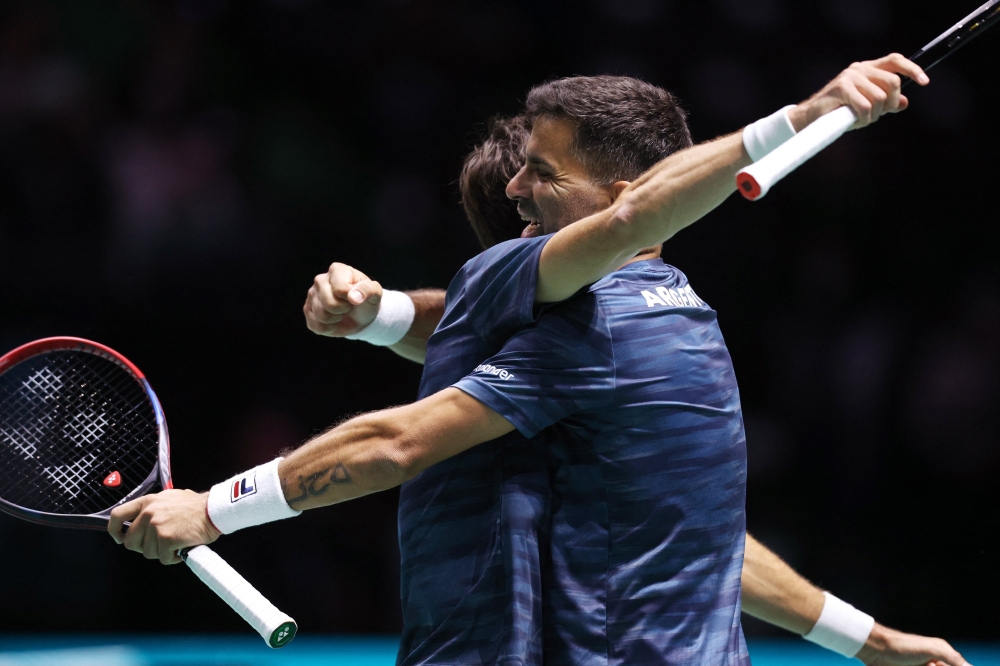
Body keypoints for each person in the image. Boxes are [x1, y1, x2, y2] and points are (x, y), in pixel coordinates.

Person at [110, 54, 965, 666]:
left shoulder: (546, 284)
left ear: (620, 195)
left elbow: (395, 443)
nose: (517, 192)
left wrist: (214, 511)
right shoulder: (682, 319)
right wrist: (872, 640)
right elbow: (699, 541)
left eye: (541, 173)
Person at [310, 113, 969, 666]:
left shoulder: (615, 340)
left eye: (543, 180)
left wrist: (870, 640)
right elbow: (400, 431)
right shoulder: (566, 350)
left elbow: (691, 532)